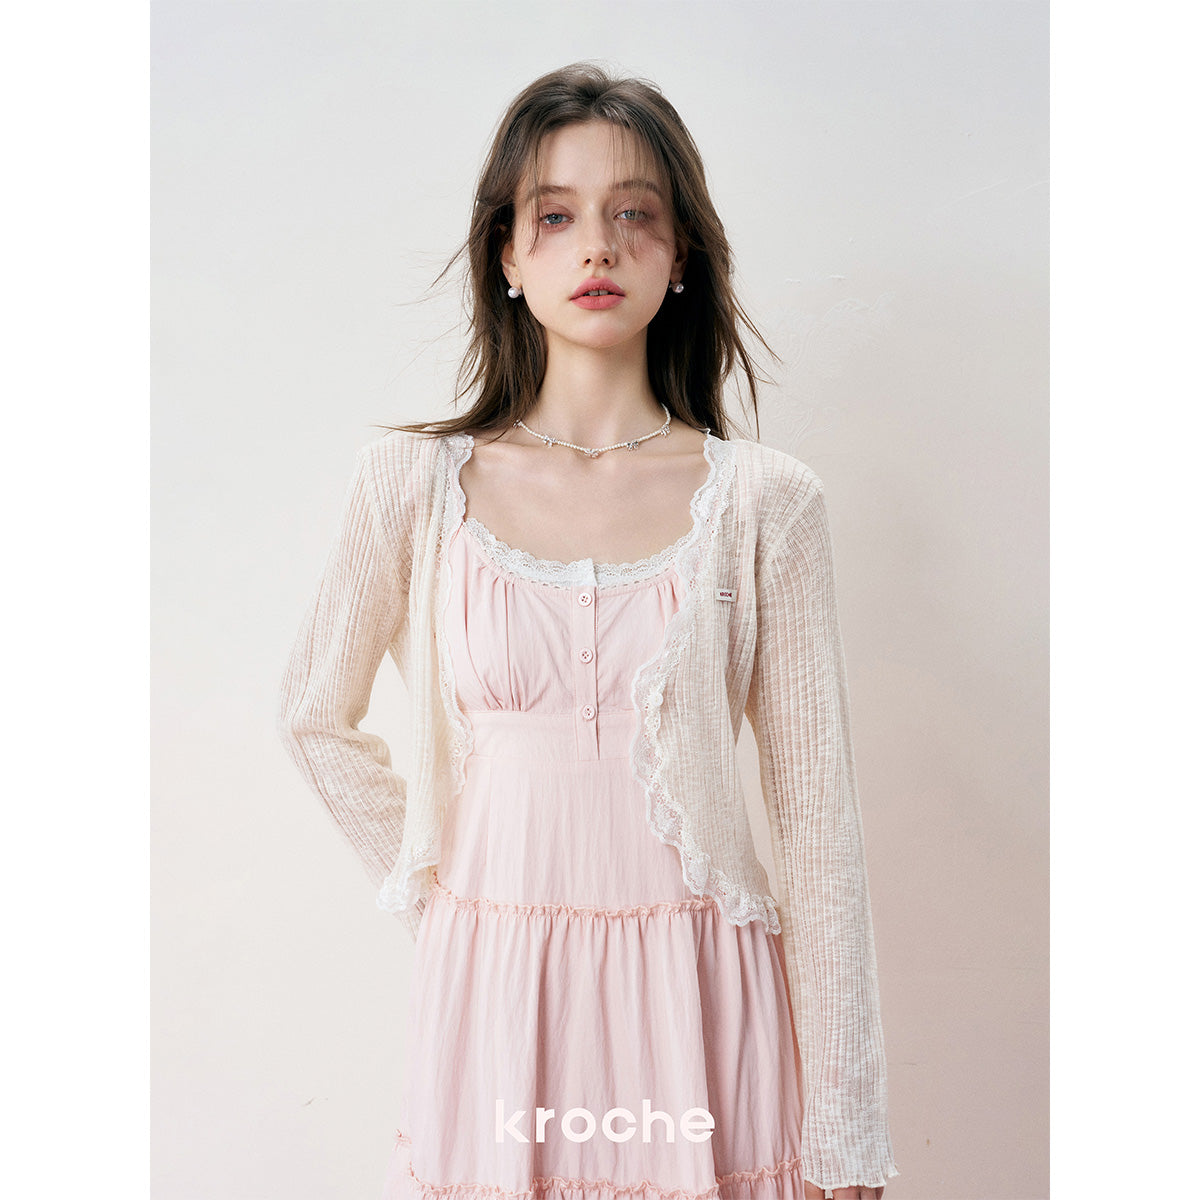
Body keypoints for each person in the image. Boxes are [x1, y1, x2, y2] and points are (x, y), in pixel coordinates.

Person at [277, 62, 899, 1200]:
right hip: (499, 1008)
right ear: (507, 258)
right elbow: (313, 718)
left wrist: (846, 1129)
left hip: (707, 1004)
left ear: (681, 254)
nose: (598, 246)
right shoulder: (409, 488)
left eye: (634, 213)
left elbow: (819, 829)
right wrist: (443, 895)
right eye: (556, 216)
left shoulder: (766, 503)